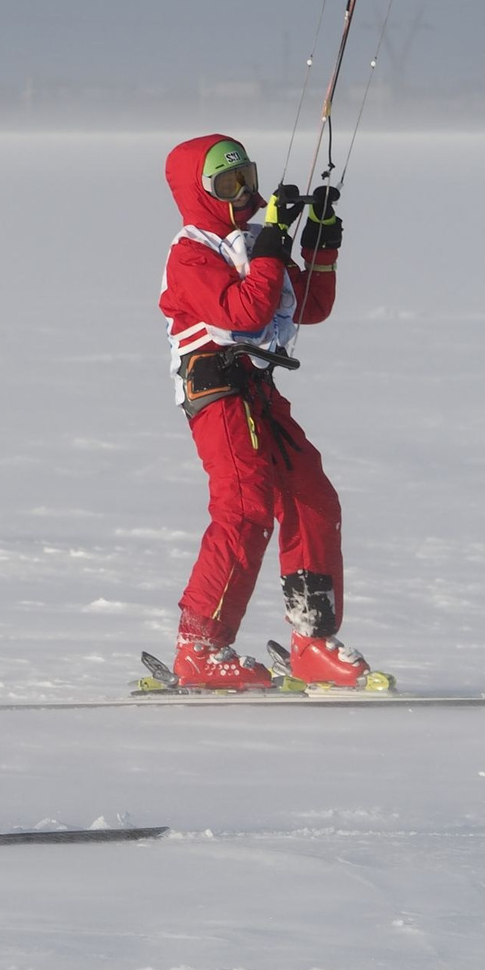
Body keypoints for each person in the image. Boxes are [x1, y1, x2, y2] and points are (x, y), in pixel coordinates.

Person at [156, 134, 376, 690]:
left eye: (247, 179)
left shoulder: (252, 242)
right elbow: (246, 313)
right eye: (227, 185)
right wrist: (275, 245)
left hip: (257, 388)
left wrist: (319, 248)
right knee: (244, 509)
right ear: (199, 193)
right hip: (215, 389)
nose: (242, 194)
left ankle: (312, 640)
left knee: (312, 496)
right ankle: (199, 647)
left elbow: (310, 306)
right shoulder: (190, 254)